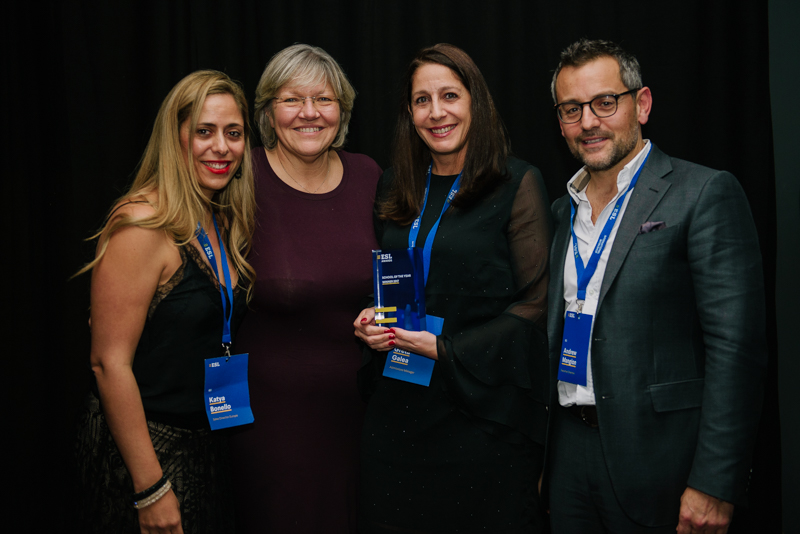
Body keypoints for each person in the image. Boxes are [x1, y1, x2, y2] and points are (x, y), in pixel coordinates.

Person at [544, 38, 767, 534]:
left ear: (641, 104)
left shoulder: (703, 193)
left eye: (605, 102)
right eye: (572, 109)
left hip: (662, 462)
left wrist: (715, 482)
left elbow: (736, 350)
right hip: (568, 454)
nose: (588, 122)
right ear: (560, 122)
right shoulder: (562, 211)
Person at [354, 43, 551, 534]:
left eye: (449, 95)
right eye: (422, 100)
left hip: (481, 416)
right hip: (396, 412)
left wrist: (445, 349)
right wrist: (372, 317)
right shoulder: (394, 184)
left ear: (474, 101)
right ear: (409, 112)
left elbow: (536, 303)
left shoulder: (516, 182)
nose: (436, 112)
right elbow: (397, 277)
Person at [73, 70, 256, 533]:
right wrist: (150, 488)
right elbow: (108, 363)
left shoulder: (220, 217)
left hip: (206, 445)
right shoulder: (141, 223)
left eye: (233, 133)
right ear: (175, 139)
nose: (221, 147)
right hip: (143, 455)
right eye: (204, 131)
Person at [227, 44, 381, 533]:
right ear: (268, 111)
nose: (310, 113)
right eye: (292, 99)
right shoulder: (240, 179)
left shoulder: (369, 175)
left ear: (343, 109)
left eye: (324, 99)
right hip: (271, 423)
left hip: (362, 414)